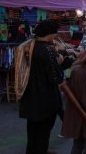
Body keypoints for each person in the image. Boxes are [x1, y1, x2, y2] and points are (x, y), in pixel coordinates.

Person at [19, 20, 63, 154]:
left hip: (30, 97)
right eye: (54, 33)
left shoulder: (30, 46)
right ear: (49, 33)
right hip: (44, 99)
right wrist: (61, 61)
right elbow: (55, 77)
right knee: (43, 134)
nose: (55, 36)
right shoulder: (47, 50)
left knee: (32, 134)